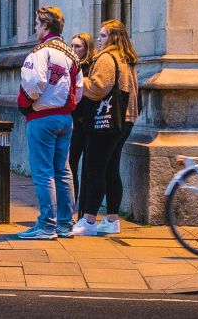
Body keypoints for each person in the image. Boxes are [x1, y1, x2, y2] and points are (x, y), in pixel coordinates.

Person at [69, 20, 140, 236]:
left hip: (106, 122)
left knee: (94, 169)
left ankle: (88, 220)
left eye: (102, 35)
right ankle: (111, 219)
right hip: (124, 120)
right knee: (111, 170)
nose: (98, 39)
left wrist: (79, 81)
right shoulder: (127, 59)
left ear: (113, 38)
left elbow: (99, 87)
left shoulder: (107, 58)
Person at [15, 7, 81, 240]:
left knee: (43, 173)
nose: (35, 28)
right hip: (65, 118)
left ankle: (46, 225)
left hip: (42, 117)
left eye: (36, 24)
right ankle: (64, 224)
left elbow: (34, 83)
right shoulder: (72, 55)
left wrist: (26, 104)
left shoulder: (39, 53)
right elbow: (79, 89)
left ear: (45, 25)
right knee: (63, 171)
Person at [67, 32, 97, 220]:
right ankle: (69, 209)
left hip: (87, 123)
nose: (73, 50)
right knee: (70, 166)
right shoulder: (70, 66)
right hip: (73, 122)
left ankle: (83, 214)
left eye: (78, 47)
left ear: (87, 48)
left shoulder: (90, 67)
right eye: (72, 46)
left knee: (87, 169)